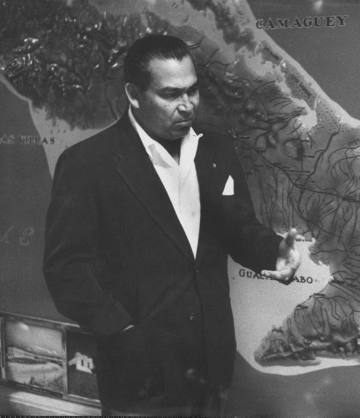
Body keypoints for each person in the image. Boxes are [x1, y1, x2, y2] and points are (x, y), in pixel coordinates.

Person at [43, 34, 300, 415]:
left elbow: (238, 228)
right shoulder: (87, 165)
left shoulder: (217, 149)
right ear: (134, 93)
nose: (187, 106)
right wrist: (124, 332)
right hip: (140, 378)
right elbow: (65, 270)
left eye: (193, 91)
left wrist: (273, 252)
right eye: (170, 94)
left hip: (211, 367)